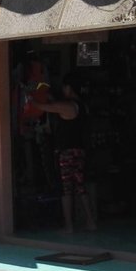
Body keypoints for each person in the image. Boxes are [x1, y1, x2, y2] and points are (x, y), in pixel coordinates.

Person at [40, 73, 97, 234]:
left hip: (67, 152)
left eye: (64, 87)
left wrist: (31, 99)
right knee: (80, 186)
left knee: (66, 189)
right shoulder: (82, 106)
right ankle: (90, 221)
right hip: (80, 151)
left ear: (69, 88)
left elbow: (45, 107)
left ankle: (69, 225)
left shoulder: (69, 106)